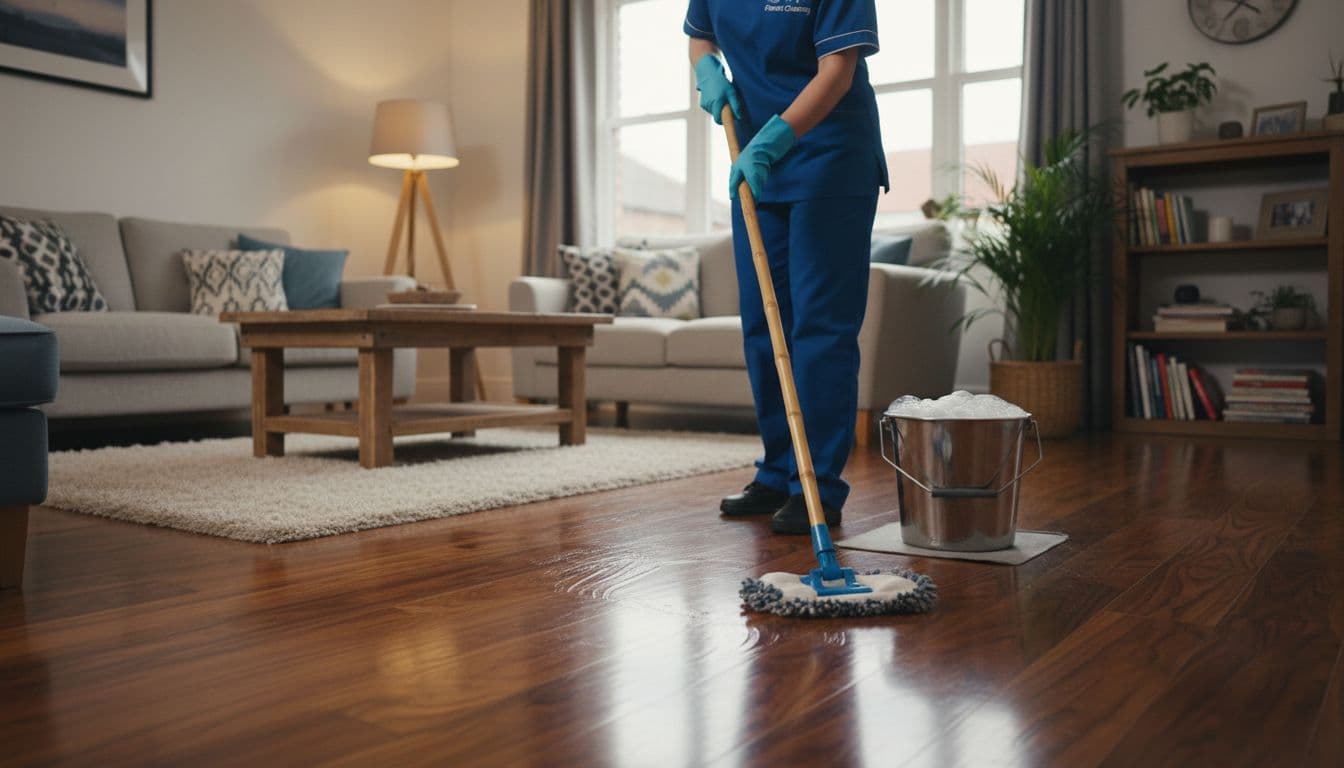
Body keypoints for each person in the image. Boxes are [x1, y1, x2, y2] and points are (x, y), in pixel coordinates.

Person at [685, 1, 889, 534]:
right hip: (756, 160)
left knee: (819, 329)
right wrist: (707, 69)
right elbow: (699, 37)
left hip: (830, 157)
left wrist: (777, 138)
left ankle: (817, 486)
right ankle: (778, 470)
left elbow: (838, 70)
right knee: (761, 325)